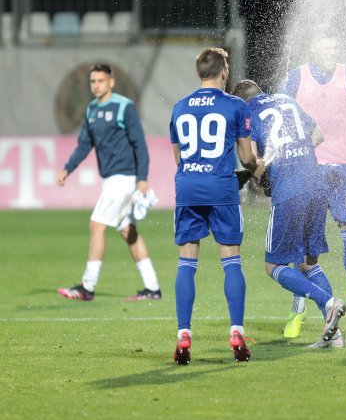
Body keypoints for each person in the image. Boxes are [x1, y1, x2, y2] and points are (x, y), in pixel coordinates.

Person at [279, 25, 346, 338]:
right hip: (308, 169)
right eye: (326, 48)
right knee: (304, 248)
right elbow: (280, 112)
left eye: (335, 49)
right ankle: (298, 313)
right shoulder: (296, 76)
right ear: (313, 48)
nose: (332, 54)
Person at [233, 80, 346, 349]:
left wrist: (258, 170)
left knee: (274, 266)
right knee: (309, 264)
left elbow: (252, 160)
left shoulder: (246, 113)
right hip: (316, 186)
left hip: (290, 192)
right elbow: (318, 134)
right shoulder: (285, 100)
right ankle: (334, 336)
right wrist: (295, 155)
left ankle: (329, 303)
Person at [169, 48, 264, 365]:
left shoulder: (179, 107)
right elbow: (247, 157)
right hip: (222, 189)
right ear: (224, 71)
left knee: (186, 264)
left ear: (200, 72)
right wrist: (255, 171)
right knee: (231, 261)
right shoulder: (236, 106)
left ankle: (184, 334)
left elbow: (179, 158)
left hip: (188, 188)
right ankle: (236, 332)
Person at [56, 64, 161, 302]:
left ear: (111, 82)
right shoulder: (91, 110)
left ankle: (87, 287)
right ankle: (152, 288)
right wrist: (67, 169)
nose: (96, 85)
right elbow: (84, 145)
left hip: (123, 179)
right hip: (112, 180)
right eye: (93, 81)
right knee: (128, 231)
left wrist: (142, 178)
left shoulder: (124, 107)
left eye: (101, 81)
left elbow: (140, 145)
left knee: (96, 225)